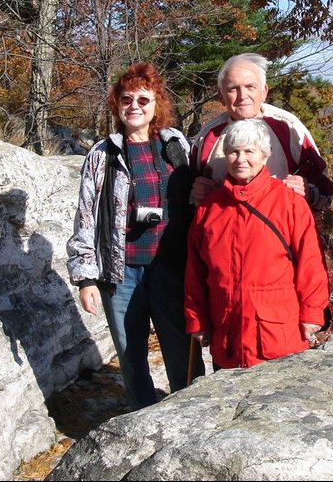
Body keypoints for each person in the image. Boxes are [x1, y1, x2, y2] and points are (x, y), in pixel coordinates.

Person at [66, 62, 204, 410]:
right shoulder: (103, 154)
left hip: (172, 267)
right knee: (130, 352)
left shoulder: (177, 147)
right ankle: (142, 415)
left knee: (180, 347)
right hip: (122, 271)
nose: (134, 106)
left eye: (144, 100)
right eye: (126, 99)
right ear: (116, 103)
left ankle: (192, 412)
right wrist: (85, 279)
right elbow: (85, 216)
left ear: (157, 104)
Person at [184, 118, 329, 369]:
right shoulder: (208, 209)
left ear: (264, 156)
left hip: (277, 337)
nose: (241, 159)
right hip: (227, 336)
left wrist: (313, 312)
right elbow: (194, 274)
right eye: (233, 152)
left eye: (249, 151)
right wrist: (197, 321)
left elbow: (311, 263)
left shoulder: (289, 203)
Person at [189, 53, 333, 211]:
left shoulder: (289, 128)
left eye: (250, 87)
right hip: (224, 230)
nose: (242, 96)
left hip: (280, 229)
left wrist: (310, 192)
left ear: (264, 91)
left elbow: (326, 193)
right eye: (233, 89)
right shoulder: (208, 136)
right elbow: (186, 192)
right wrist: (194, 195)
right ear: (221, 96)